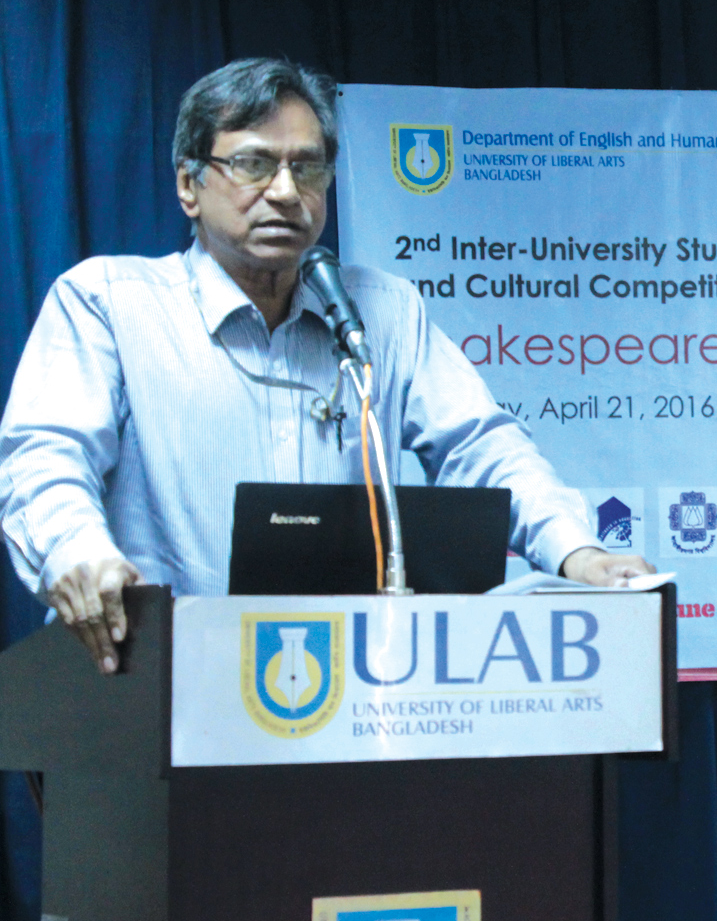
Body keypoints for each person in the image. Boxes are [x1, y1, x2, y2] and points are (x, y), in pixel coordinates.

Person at [0, 58, 651, 673]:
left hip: (348, 687)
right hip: (162, 679)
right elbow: (46, 458)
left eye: (308, 168)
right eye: (253, 164)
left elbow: (481, 445)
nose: (286, 192)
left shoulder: (381, 311)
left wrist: (577, 552)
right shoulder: (108, 302)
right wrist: (77, 552)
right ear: (188, 185)